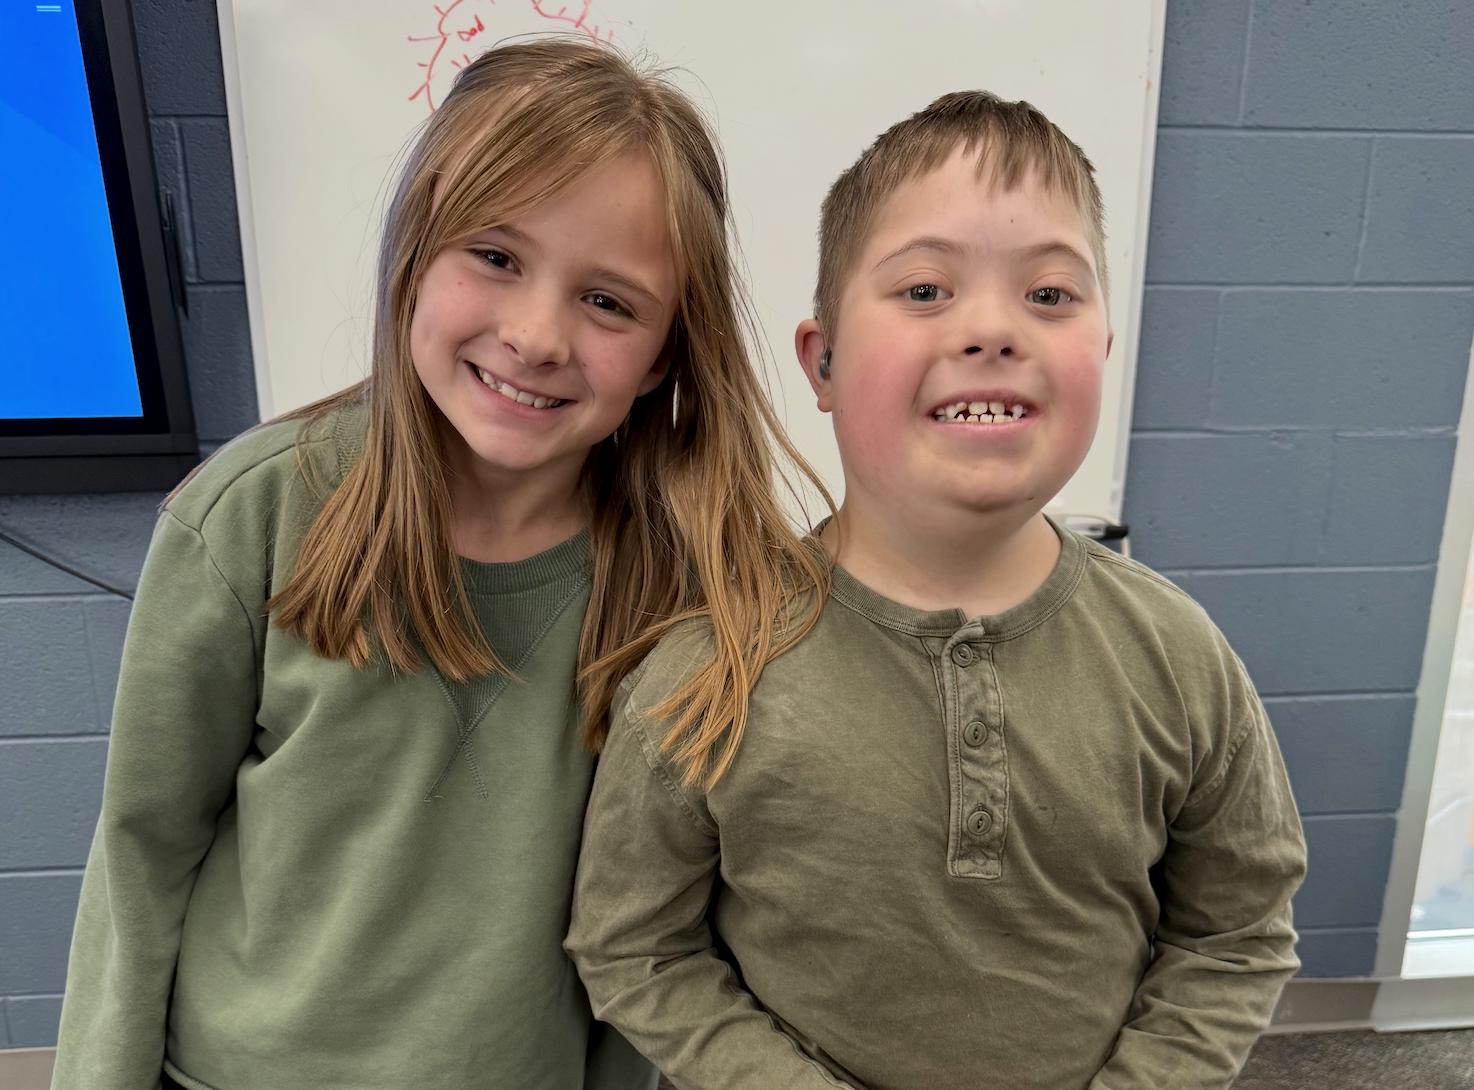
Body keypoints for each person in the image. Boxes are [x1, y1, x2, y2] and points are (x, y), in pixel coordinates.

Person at [51, 38, 828, 1090]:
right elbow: (142, 851)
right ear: (415, 253)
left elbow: (655, 918)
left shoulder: (685, 579)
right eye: (496, 256)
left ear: (663, 357)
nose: (536, 334)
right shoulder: (248, 517)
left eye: (608, 302)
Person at [567, 90, 1309, 1090]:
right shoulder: (705, 669)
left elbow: (1239, 929)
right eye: (924, 290)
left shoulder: (1177, 656)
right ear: (822, 360)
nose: (992, 328)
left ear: (1098, 348)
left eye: (1050, 295)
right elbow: (634, 948)